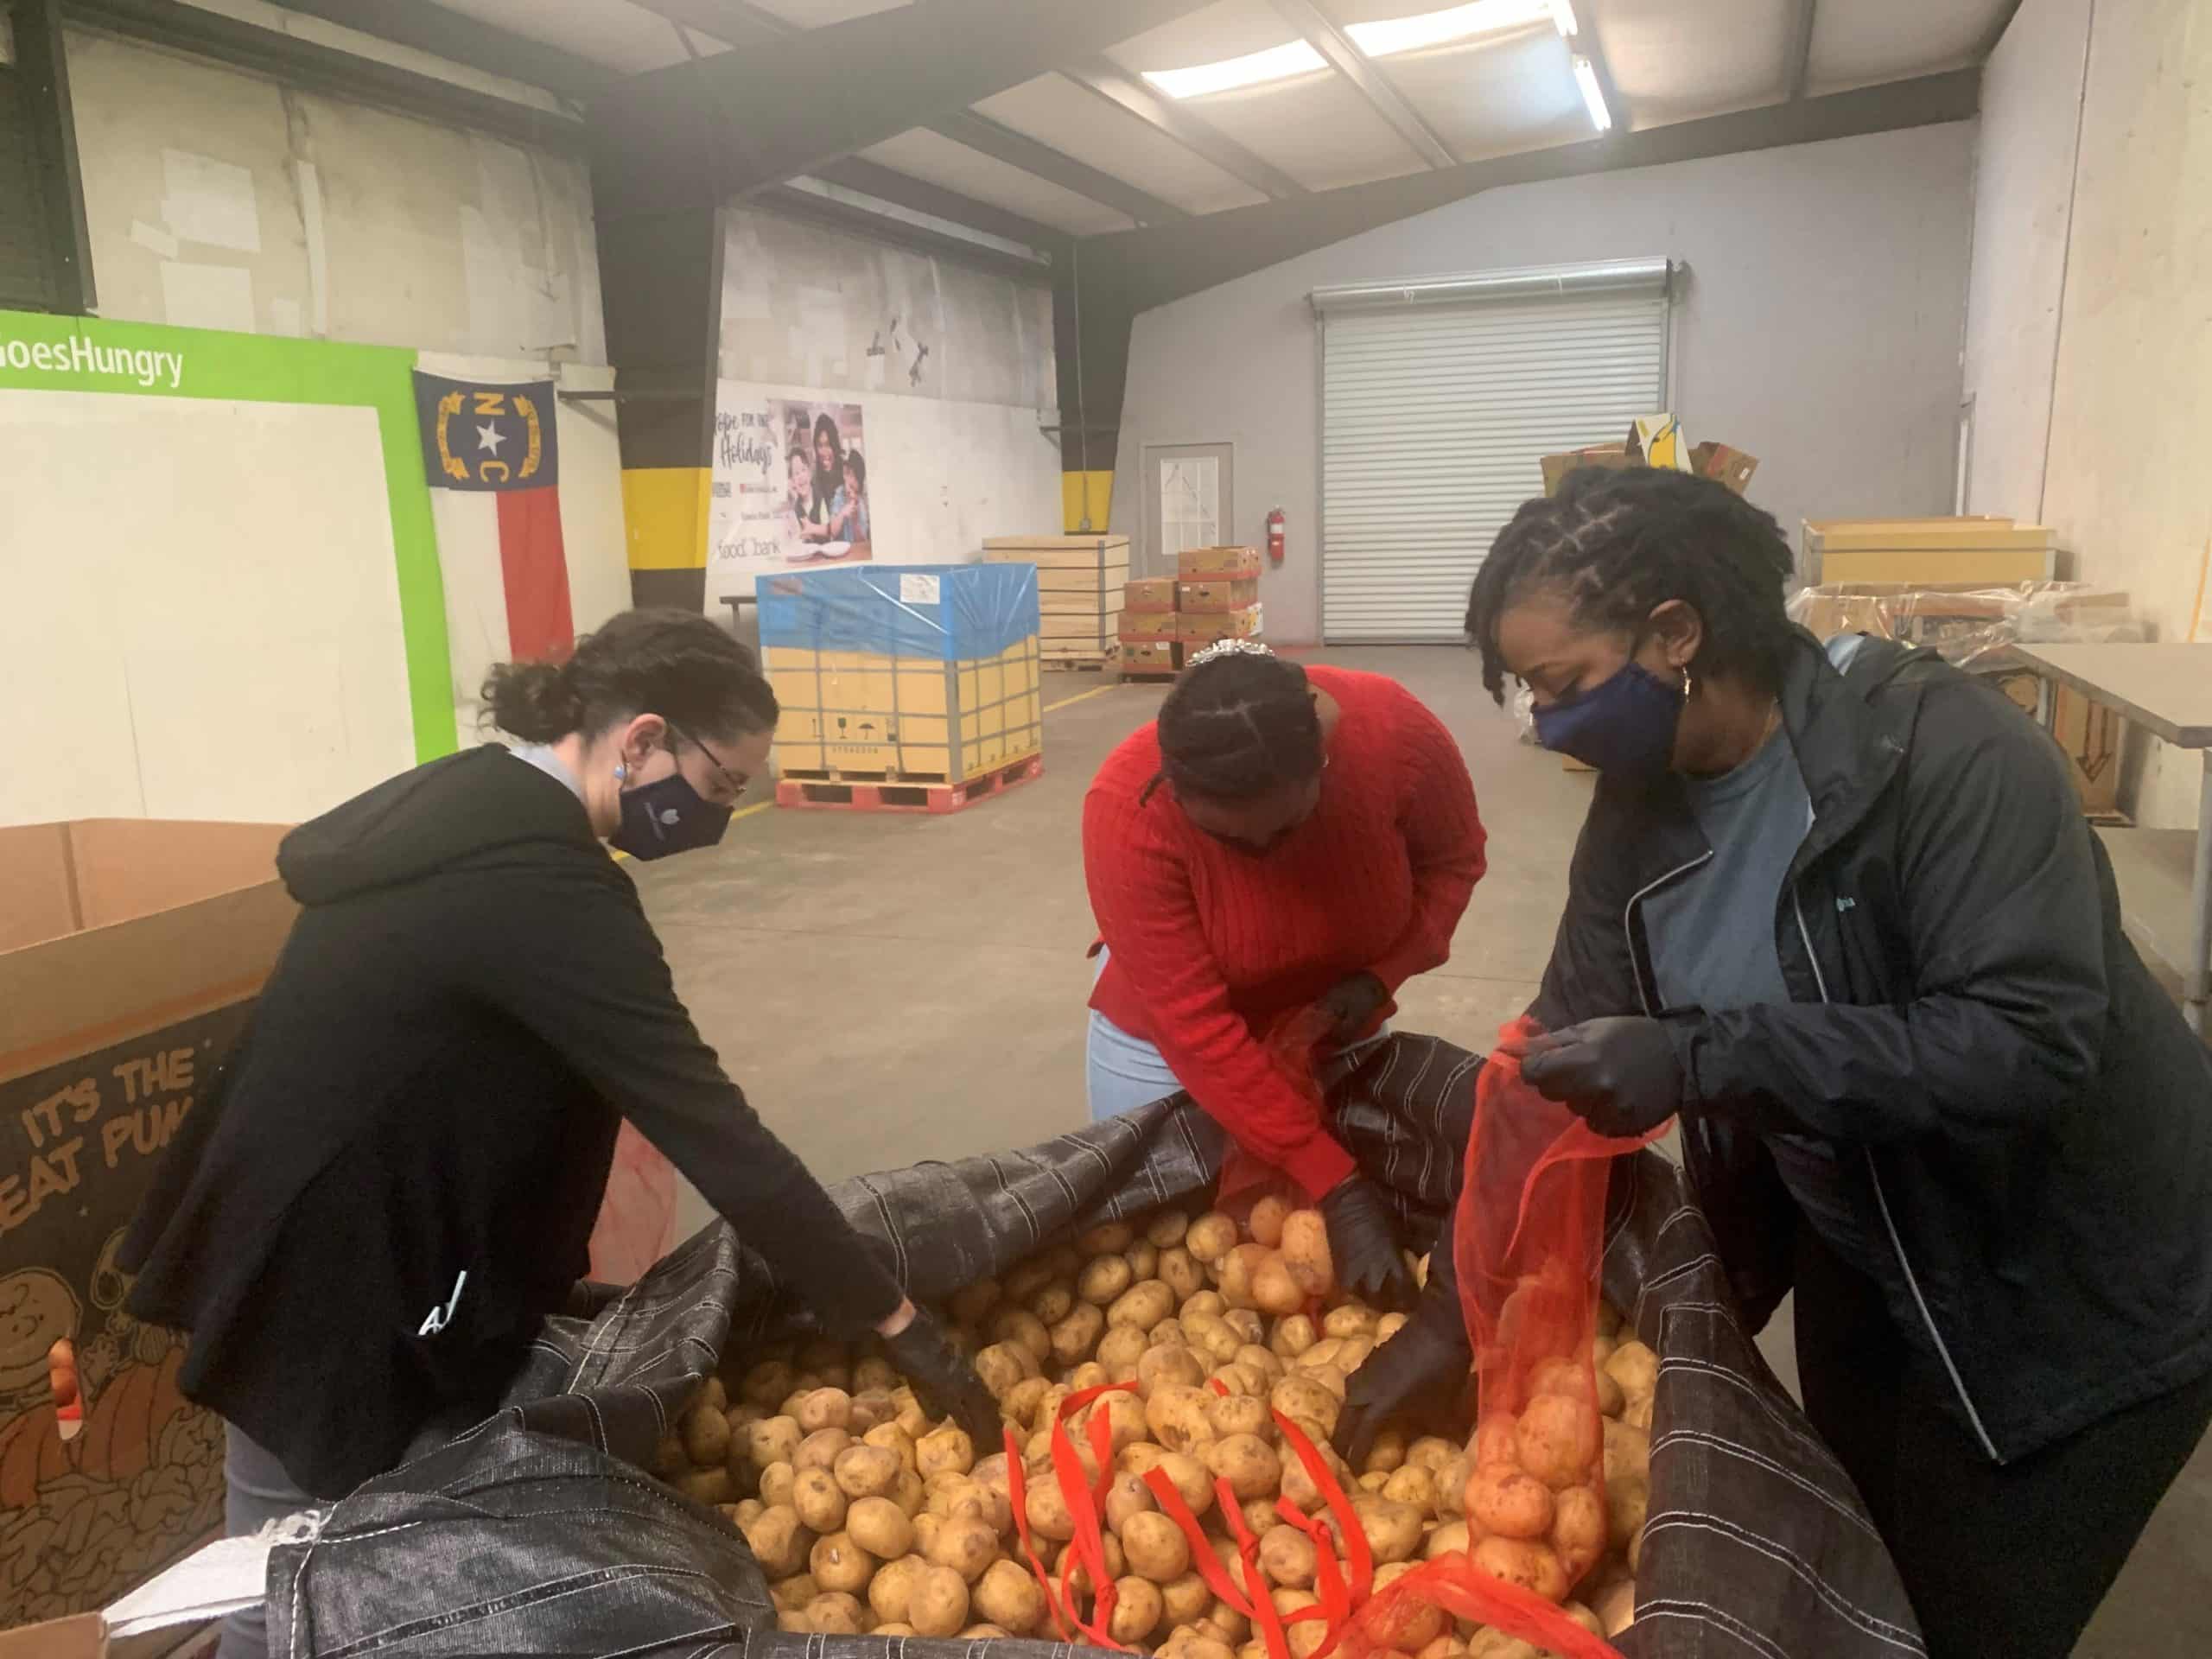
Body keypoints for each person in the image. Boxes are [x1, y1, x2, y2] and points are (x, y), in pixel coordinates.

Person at [1344, 466, 2212, 1657]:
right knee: (1857, 1573)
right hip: (1870, 1242)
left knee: (1964, 1619)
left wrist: (1703, 1054)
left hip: (2068, 1285)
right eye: (1529, 696)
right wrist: (1457, 1315)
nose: (1545, 725)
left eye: (1562, 685)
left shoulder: (1945, 758)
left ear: (1676, 633)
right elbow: (1557, 1050)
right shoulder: (1641, 806)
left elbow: (2025, 1041)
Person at [120, 610, 1000, 1659]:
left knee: (299, 1557)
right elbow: (719, 1135)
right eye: (720, 786)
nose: (716, 816)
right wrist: (895, 1321)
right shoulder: (550, 889)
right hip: (327, 1278)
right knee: (292, 1578)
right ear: (640, 741)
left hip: (297, 1221)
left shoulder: (463, 800)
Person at [1082, 639, 1486, 1311]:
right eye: (1233, 845)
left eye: (1288, 828)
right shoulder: (1126, 811)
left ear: (1322, 763)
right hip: (1171, 1053)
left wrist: (1385, 973)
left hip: (1335, 1024)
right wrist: (1335, 1181)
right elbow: (1196, 1028)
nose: (1264, 860)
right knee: (1174, 1252)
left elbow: (1453, 861)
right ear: (1171, 789)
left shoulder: (1395, 737)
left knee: (1304, 1258)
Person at [830, 449, 870, 545]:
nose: (848, 479)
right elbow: (832, 532)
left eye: (853, 475)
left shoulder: (861, 502)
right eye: (846, 473)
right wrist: (843, 513)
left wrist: (855, 522)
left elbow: (862, 542)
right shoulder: (838, 496)